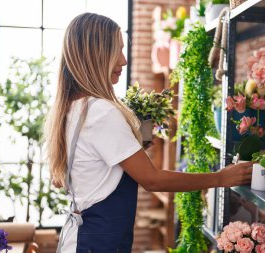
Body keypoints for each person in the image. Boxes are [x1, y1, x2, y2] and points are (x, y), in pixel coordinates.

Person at [44, 12, 253, 253]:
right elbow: (152, 180)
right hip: (95, 244)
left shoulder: (73, 107)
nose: (123, 61)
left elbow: (68, 176)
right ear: (97, 55)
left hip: (81, 240)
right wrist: (220, 178)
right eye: (117, 51)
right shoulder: (100, 112)